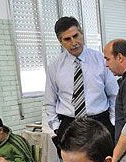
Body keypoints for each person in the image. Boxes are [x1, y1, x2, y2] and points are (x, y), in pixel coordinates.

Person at [45, 16, 118, 148]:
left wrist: (113, 122)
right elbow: (50, 101)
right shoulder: (54, 67)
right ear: (60, 41)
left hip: (100, 122)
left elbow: (114, 94)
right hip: (69, 125)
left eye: (76, 36)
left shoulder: (101, 60)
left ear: (82, 33)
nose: (74, 42)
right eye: (67, 39)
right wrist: (56, 127)